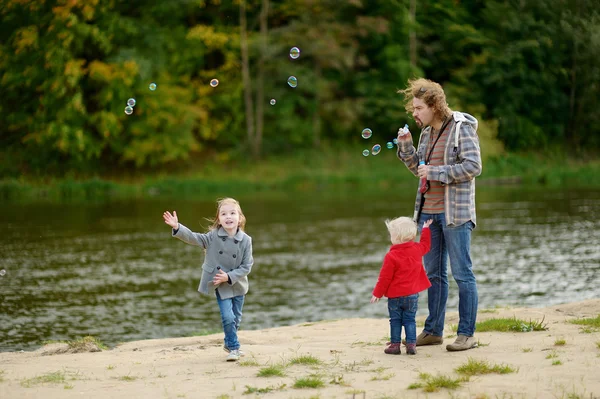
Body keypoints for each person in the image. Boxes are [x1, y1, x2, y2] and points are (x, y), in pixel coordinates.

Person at [396, 78, 482, 352]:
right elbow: (419, 170)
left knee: (462, 274)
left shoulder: (461, 128)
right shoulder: (425, 135)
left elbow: (473, 166)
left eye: (419, 108)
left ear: (434, 105)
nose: (415, 113)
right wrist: (407, 148)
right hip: (428, 215)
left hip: (456, 214)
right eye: (414, 109)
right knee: (433, 275)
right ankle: (434, 331)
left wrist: (437, 172)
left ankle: (466, 334)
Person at [162, 198, 254, 362]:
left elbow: (247, 266)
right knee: (228, 317)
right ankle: (234, 348)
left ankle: (228, 342)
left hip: (238, 284)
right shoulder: (213, 237)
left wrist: (230, 276)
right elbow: (193, 238)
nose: (228, 217)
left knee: (236, 319)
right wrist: (177, 227)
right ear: (218, 219)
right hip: (220, 283)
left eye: (232, 213)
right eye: (224, 214)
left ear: (240, 217)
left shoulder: (246, 240)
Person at [371, 217, 432, 355]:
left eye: (391, 234)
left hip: (395, 297)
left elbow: (384, 278)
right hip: (412, 295)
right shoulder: (417, 249)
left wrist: (377, 293)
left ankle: (395, 345)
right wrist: (426, 229)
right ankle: (411, 345)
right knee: (410, 320)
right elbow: (426, 244)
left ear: (397, 237)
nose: (390, 237)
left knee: (395, 321)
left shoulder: (391, 256)